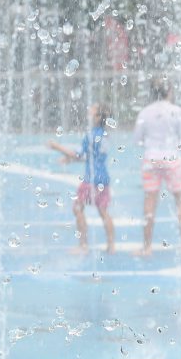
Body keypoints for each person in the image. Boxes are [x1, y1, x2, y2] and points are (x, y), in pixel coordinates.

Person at [48, 103, 116, 254]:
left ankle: (83, 245)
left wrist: (56, 147)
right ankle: (111, 245)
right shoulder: (105, 135)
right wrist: (69, 159)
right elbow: (91, 157)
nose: (89, 111)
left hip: (91, 179)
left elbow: (77, 154)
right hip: (103, 178)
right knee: (103, 211)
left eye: (92, 110)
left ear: (98, 117)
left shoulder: (91, 135)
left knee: (77, 208)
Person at [134, 77, 181, 255]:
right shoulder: (177, 111)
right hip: (172, 158)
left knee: (150, 202)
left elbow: (137, 139)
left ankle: (147, 247)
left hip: (151, 160)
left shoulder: (144, 113)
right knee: (180, 199)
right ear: (169, 91)